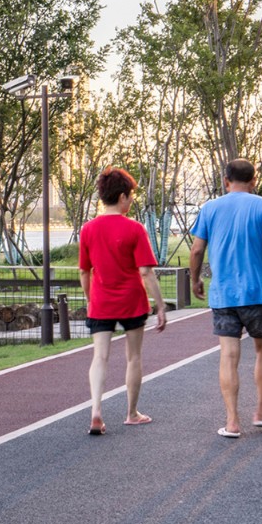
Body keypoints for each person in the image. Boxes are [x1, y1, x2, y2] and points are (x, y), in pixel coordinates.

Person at [189, 158, 262, 439]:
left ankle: (232, 421)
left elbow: (197, 250)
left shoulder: (209, 208)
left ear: (226, 180)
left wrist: (195, 279)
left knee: (229, 355)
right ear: (254, 180)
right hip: (257, 292)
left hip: (223, 294)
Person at [78, 167, 168, 436]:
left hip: (101, 301)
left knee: (100, 357)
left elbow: (84, 271)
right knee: (134, 357)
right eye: (130, 197)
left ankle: (96, 412)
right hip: (132, 301)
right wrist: (161, 305)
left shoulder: (88, 229)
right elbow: (146, 272)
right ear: (121, 197)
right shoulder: (135, 229)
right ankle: (131, 413)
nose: (131, 201)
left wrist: (90, 298)